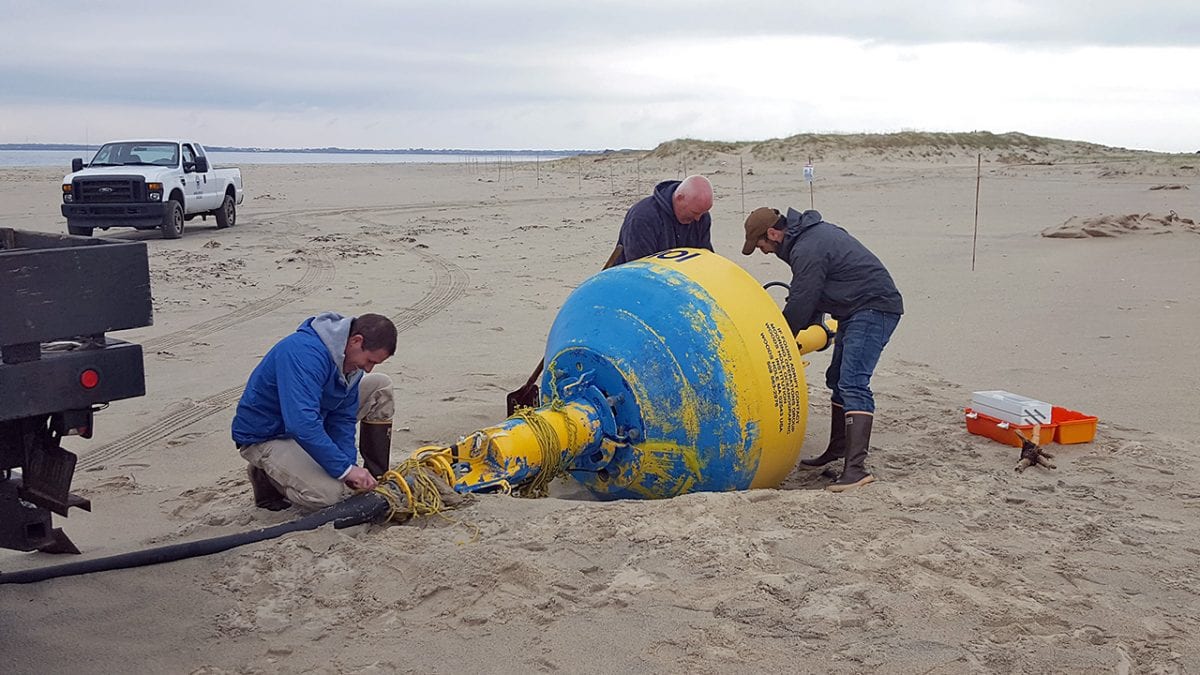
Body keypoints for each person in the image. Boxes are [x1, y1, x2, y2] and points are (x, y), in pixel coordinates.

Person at [742, 207, 903, 492]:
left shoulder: (808, 247)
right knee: (837, 378)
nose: (763, 251)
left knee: (853, 382)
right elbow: (813, 293)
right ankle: (838, 450)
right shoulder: (806, 240)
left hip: (874, 307)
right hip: (855, 309)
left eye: (761, 245)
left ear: (773, 233)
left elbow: (803, 300)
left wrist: (780, 341)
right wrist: (811, 326)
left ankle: (856, 471)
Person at [232, 312, 398, 511]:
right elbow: (301, 423)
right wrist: (344, 470)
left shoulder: (349, 360)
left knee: (380, 385)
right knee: (330, 496)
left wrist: (350, 469)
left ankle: (375, 479)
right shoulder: (304, 353)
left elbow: (342, 418)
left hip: (312, 420)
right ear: (356, 340)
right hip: (267, 434)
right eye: (370, 360)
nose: (368, 369)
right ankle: (267, 478)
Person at [613, 174, 714, 264]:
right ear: (679, 198)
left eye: (703, 213)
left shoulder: (701, 216)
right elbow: (639, 268)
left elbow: (704, 258)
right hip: (630, 279)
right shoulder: (642, 218)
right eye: (695, 212)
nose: (698, 219)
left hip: (681, 276)